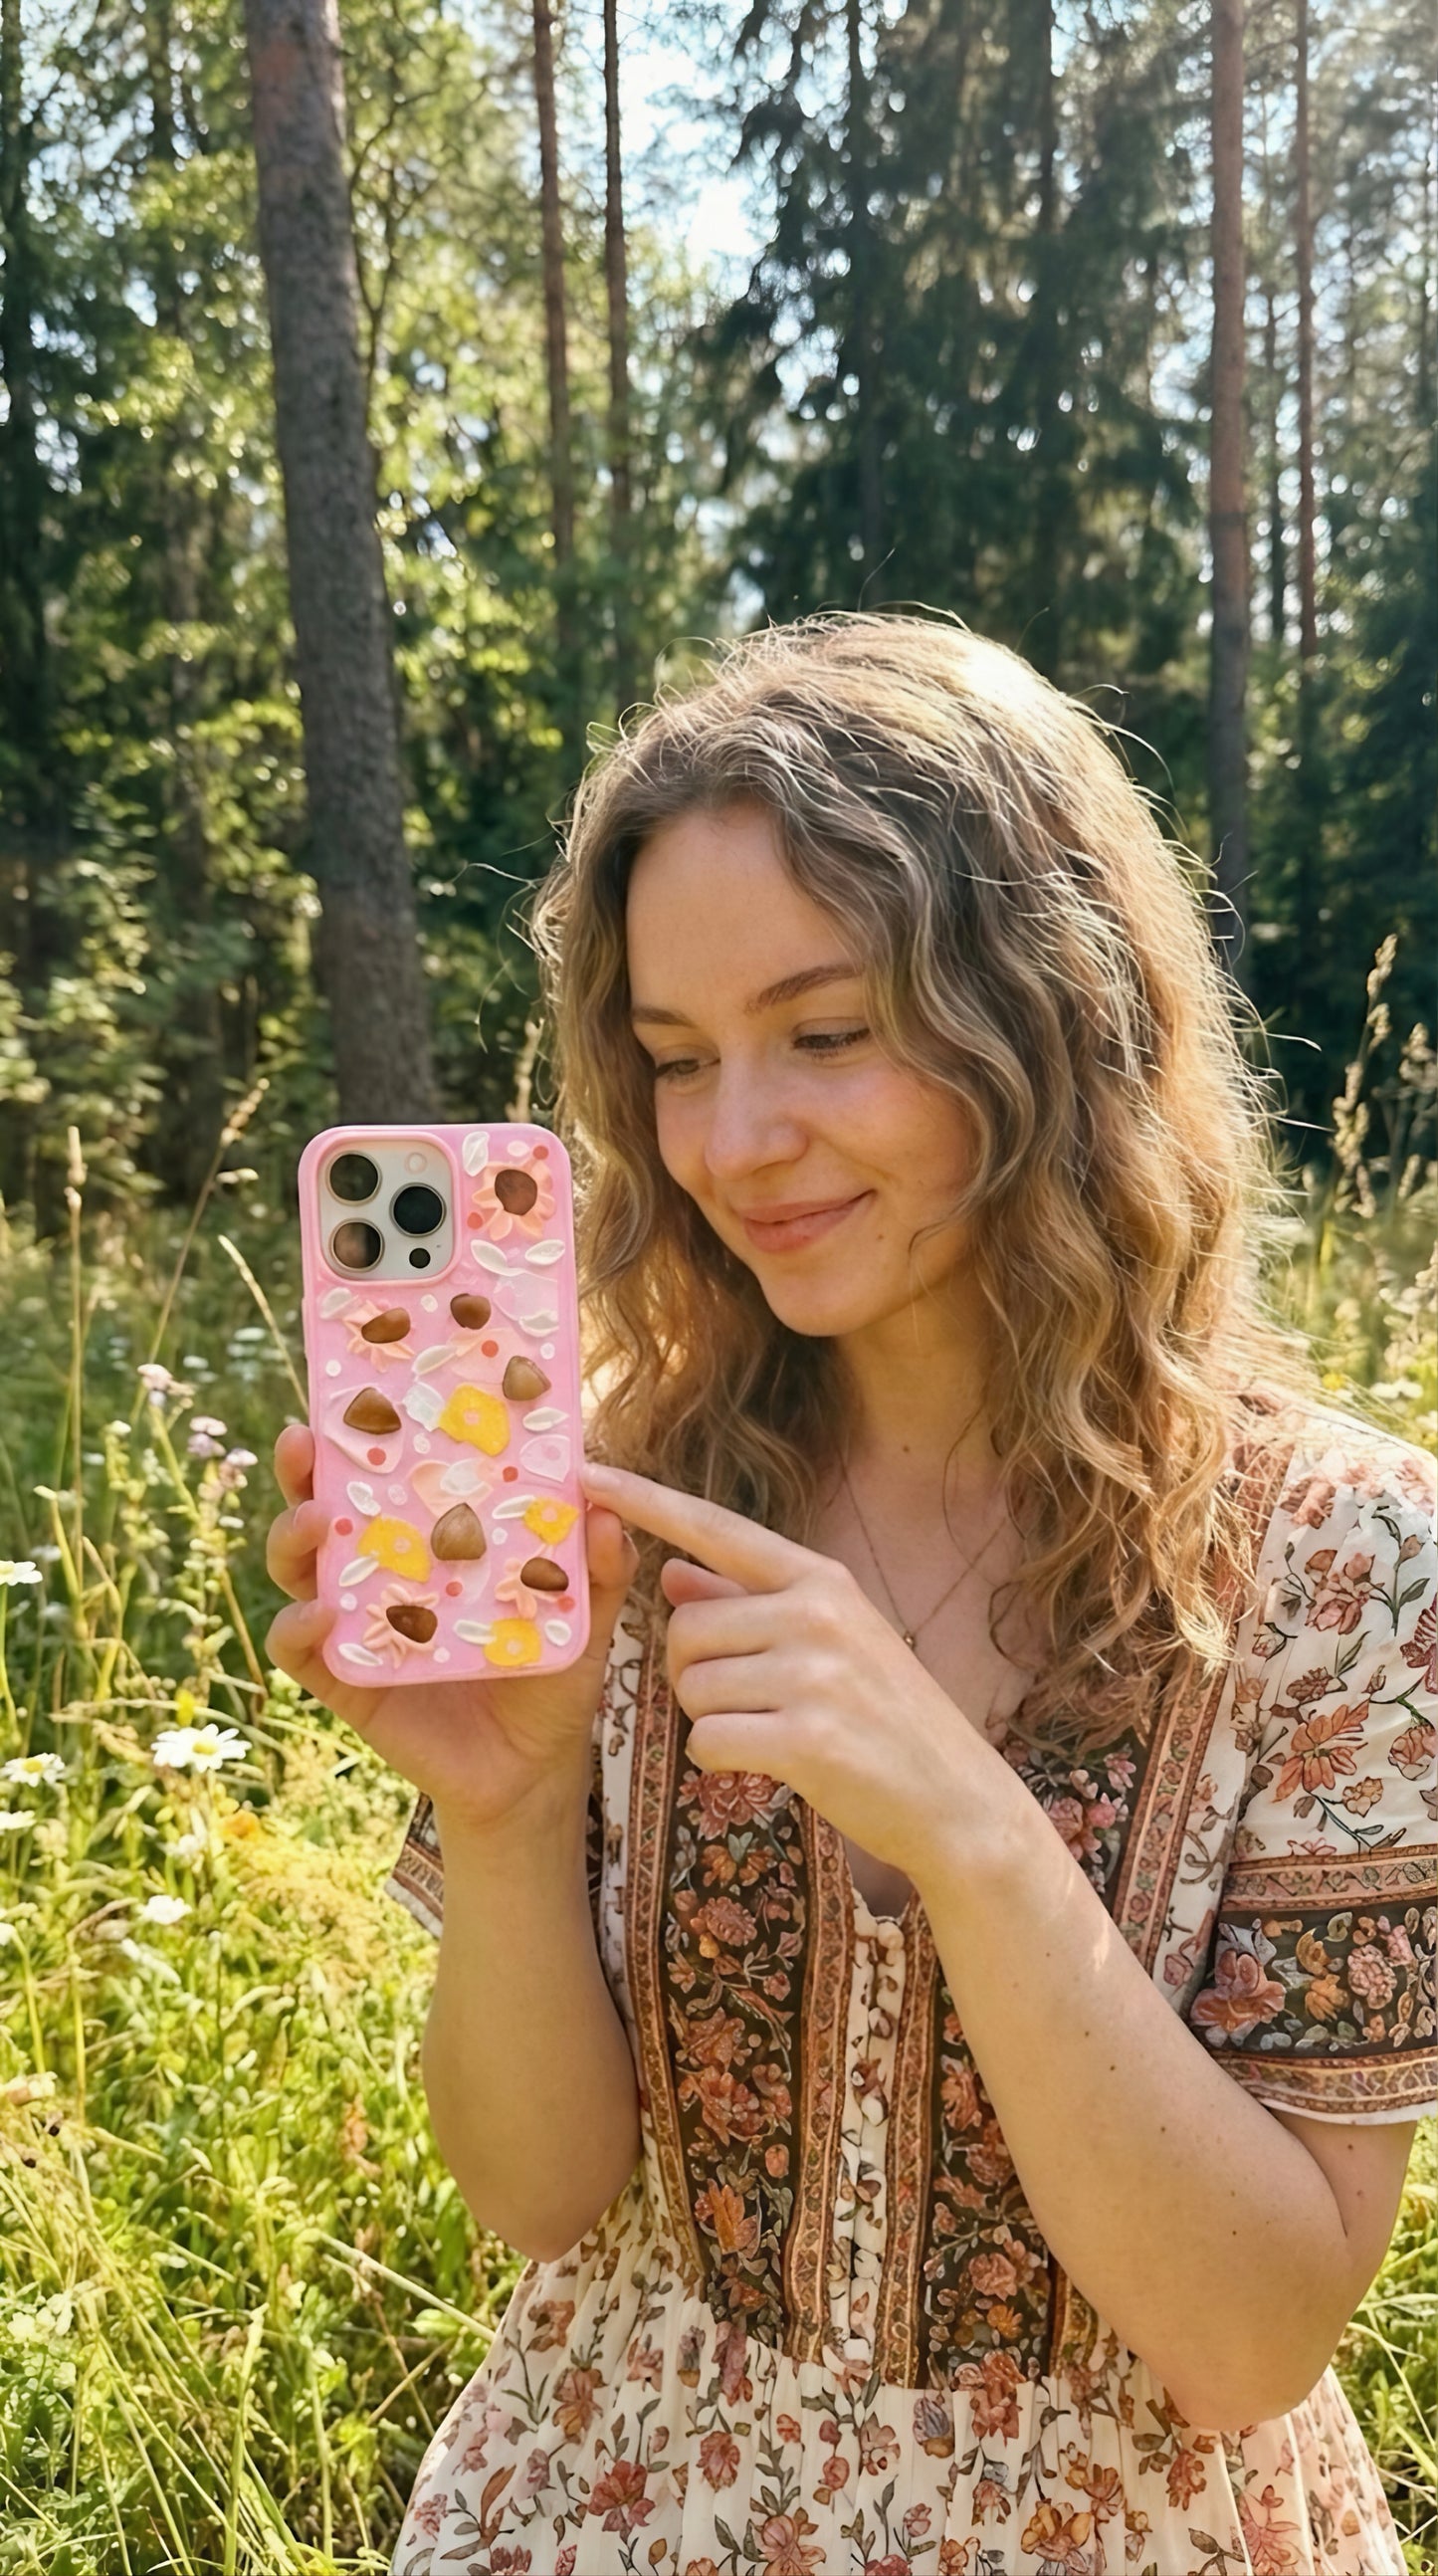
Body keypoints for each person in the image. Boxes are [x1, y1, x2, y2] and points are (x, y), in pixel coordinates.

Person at [266, 613, 1436, 2576]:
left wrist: (970, 1829)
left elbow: (1250, 2336)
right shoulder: (614, 1495)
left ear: (1043, 1010)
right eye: (675, 1060)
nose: (733, 1143)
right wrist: (505, 1808)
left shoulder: (1342, 1563)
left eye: (825, 1033)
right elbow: (548, 2197)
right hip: (625, 2503)